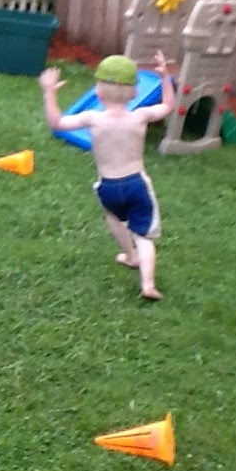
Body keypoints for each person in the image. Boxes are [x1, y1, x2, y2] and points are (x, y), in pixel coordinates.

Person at [39, 51, 174, 300]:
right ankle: (147, 283)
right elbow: (168, 106)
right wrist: (165, 77)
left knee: (113, 216)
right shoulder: (140, 116)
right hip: (136, 183)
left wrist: (49, 92)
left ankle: (130, 256)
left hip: (108, 187)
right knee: (143, 235)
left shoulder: (92, 118)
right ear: (135, 93)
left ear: (98, 94)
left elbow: (56, 123)